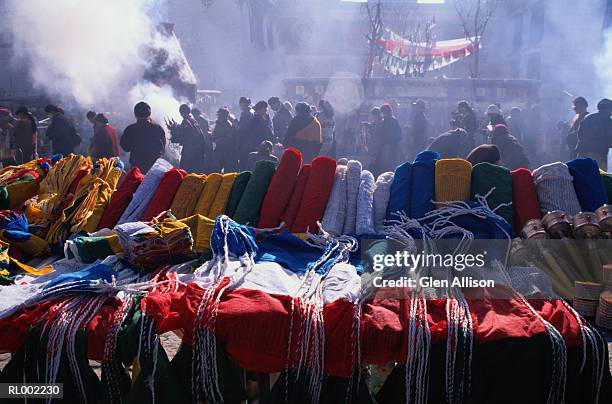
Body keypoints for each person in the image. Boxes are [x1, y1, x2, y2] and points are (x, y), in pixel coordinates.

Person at [120, 101, 166, 174]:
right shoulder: (157, 128)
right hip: (153, 165)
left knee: (137, 184)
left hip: (136, 165)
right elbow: (162, 147)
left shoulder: (130, 129)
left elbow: (125, 147)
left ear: (135, 114)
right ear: (149, 113)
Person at [576, 98, 612, 171]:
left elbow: (580, 134)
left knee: (582, 177)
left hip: (582, 153)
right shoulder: (607, 121)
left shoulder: (588, 117)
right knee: (598, 178)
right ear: (608, 109)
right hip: (598, 155)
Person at [171, 104, 207, 173]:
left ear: (181, 112)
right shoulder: (193, 120)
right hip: (197, 151)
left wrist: (175, 133)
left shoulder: (187, 121)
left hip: (190, 152)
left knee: (185, 172)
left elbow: (185, 135)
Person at [374, 104, 402, 173]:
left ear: (385, 112)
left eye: (382, 112)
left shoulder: (388, 121)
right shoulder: (393, 120)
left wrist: (386, 143)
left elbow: (386, 134)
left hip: (388, 146)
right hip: (391, 146)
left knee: (387, 165)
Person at [212, 106, 238, 172]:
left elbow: (229, 138)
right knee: (216, 169)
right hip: (219, 149)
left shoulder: (229, 125)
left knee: (227, 170)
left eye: (220, 115)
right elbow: (215, 133)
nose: (218, 117)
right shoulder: (218, 124)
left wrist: (219, 140)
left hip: (226, 151)